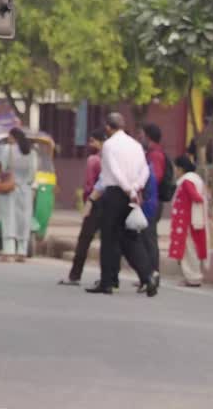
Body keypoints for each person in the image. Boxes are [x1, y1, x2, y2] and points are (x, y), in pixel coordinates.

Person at [86, 112, 157, 296]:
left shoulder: (109, 145)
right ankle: (148, 276)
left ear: (108, 127)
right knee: (130, 238)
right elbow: (145, 170)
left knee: (109, 239)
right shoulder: (135, 145)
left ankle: (107, 282)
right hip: (132, 194)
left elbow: (114, 171)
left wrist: (127, 189)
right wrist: (135, 188)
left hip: (116, 193)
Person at [60, 129, 107, 286]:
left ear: (101, 141)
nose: (90, 144)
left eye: (93, 141)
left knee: (84, 240)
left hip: (94, 202)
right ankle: (108, 277)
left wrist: (88, 201)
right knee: (109, 242)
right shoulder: (111, 159)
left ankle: (75, 275)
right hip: (110, 203)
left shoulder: (93, 160)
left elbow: (89, 184)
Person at [0, 127, 38, 262]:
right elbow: (33, 173)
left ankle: (9, 252)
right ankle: (22, 252)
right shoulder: (32, 152)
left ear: (13, 137)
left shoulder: (8, 149)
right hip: (26, 190)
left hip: (10, 189)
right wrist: (26, 183)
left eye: (9, 137)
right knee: (24, 220)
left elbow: (3, 167)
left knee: (9, 219)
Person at [168, 156, 209, 286]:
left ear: (181, 169)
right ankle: (193, 276)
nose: (175, 171)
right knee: (192, 248)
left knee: (189, 250)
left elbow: (196, 197)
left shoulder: (186, 181)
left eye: (176, 168)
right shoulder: (195, 178)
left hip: (186, 221)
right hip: (191, 220)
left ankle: (193, 277)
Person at [139, 123, 167, 290]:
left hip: (151, 202)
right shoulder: (151, 153)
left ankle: (153, 275)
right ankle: (148, 275)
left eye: (141, 134)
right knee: (146, 238)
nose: (140, 137)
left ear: (148, 136)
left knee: (149, 238)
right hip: (150, 201)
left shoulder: (155, 155)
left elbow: (154, 178)